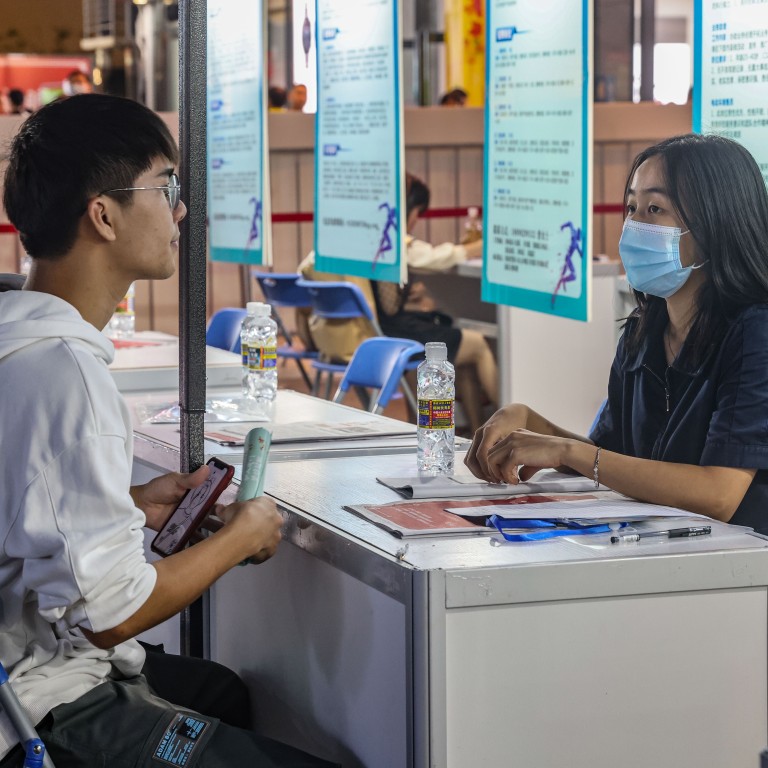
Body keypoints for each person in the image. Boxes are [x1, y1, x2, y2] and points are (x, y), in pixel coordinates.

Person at [0, 95, 335, 767]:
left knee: (220, 692)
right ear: (103, 214)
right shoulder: (66, 374)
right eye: (166, 188)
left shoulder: (17, 331)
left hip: (30, 659)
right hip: (42, 703)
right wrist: (240, 539)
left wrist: (128, 504)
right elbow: (112, 616)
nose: (180, 210)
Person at [466, 133, 768, 535]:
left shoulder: (755, 333)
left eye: (655, 208)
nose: (634, 225)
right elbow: (614, 459)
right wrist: (533, 425)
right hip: (660, 551)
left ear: (715, 224)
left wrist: (566, 450)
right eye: (631, 207)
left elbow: (719, 494)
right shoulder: (644, 331)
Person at [299, 173, 499, 432]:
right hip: (386, 336)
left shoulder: (345, 236)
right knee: (477, 344)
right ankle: (508, 429)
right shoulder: (391, 239)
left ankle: (476, 430)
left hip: (343, 341)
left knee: (459, 345)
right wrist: (481, 246)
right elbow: (434, 258)